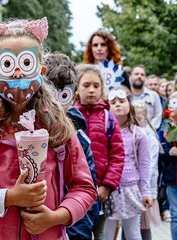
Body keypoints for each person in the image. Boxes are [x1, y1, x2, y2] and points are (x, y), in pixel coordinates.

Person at [0, 17, 97, 239]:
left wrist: (56, 217)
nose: (18, 73)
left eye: (26, 64)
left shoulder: (57, 125)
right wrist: (8, 197)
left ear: (41, 70)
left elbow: (84, 188)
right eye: (8, 65)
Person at [43, 52, 99, 240]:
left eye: (63, 96)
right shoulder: (24, 131)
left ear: (73, 97)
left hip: (69, 229)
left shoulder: (79, 140)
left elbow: (85, 190)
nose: (55, 104)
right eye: (50, 95)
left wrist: (77, 234)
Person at [73, 64, 125, 240]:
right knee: (78, 231)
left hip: (101, 191)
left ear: (102, 88)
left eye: (96, 86)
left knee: (101, 233)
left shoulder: (108, 118)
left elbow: (117, 155)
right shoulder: (69, 116)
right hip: (74, 191)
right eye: (86, 85)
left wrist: (107, 186)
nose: (91, 90)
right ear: (77, 88)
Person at [107, 87, 153, 240]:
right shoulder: (104, 132)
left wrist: (146, 191)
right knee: (107, 233)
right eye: (113, 102)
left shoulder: (138, 134)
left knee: (133, 233)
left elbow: (145, 164)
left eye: (121, 101)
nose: (118, 105)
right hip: (108, 189)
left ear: (129, 105)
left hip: (131, 189)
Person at [133, 100, 161, 240]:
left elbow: (150, 165)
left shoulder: (150, 138)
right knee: (130, 224)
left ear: (145, 117)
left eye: (139, 118)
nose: (136, 122)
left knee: (143, 226)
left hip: (144, 187)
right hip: (130, 187)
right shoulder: (130, 134)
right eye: (134, 118)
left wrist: (142, 186)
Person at [158, 91, 177, 239]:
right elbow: (159, 152)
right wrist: (168, 151)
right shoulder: (166, 126)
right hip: (173, 177)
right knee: (176, 215)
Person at [129, 65, 163, 129]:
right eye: (136, 74)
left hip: (149, 134)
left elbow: (157, 115)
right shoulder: (125, 95)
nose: (139, 76)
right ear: (130, 77)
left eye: (142, 75)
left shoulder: (153, 95)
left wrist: (147, 130)